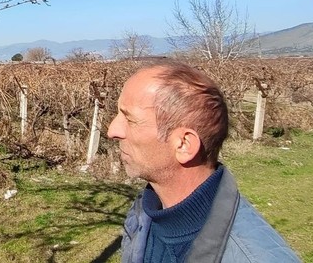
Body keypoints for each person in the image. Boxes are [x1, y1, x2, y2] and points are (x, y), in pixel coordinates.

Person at [107, 63, 301, 263]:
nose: (112, 130)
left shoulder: (253, 257)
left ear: (184, 144)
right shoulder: (147, 213)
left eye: (130, 120)